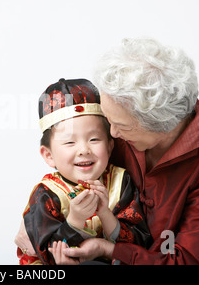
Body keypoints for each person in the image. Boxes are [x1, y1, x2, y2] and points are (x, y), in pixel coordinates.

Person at [50, 38, 199, 265]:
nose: (111, 134)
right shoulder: (122, 113)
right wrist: (36, 221)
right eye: (108, 119)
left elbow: (188, 261)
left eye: (121, 126)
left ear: (161, 124)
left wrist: (111, 250)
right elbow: (72, 165)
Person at [15, 78, 151, 265]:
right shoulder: (46, 194)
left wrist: (105, 213)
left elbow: (141, 242)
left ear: (111, 146)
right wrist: (75, 220)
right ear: (48, 155)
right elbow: (44, 251)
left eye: (94, 139)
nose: (84, 150)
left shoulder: (120, 181)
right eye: (70, 142)